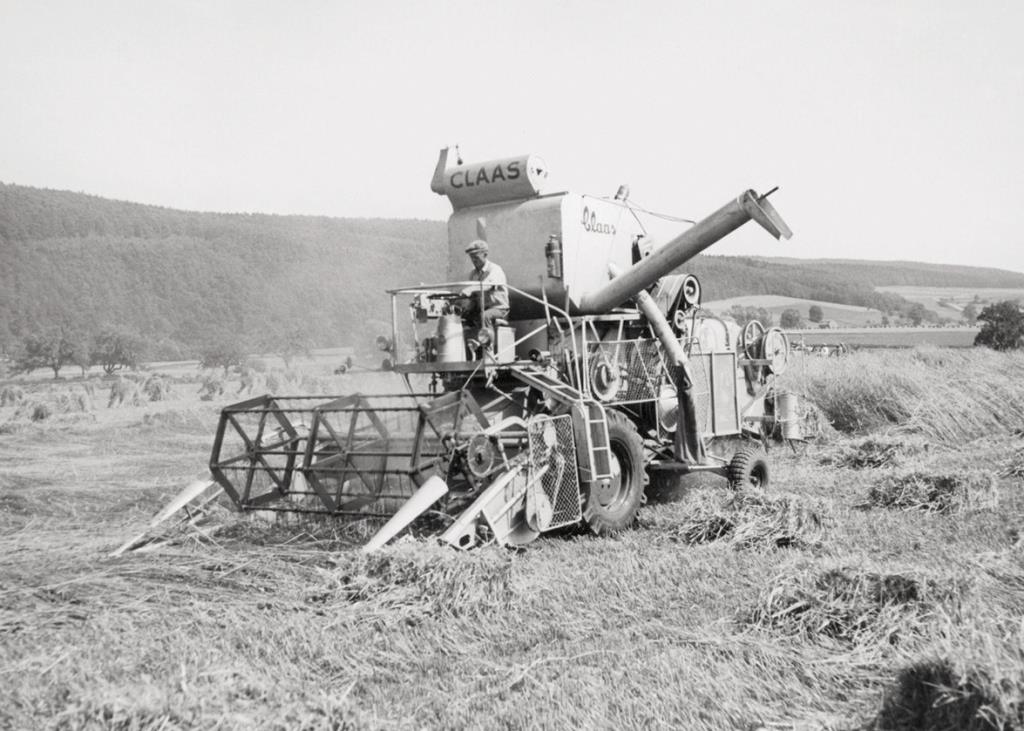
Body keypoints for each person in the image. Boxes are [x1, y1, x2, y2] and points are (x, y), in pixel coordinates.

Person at [458, 239, 509, 347]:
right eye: (471, 257)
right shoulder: (473, 274)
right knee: (459, 318)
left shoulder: (495, 270)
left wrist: (470, 289)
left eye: (476, 257)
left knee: (485, 316)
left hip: (499, 308)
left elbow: (487, 285)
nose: (473, 260)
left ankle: (488, 348)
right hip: (481, 307)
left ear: (485, 254)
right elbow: (472, 296)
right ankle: (467, 349)